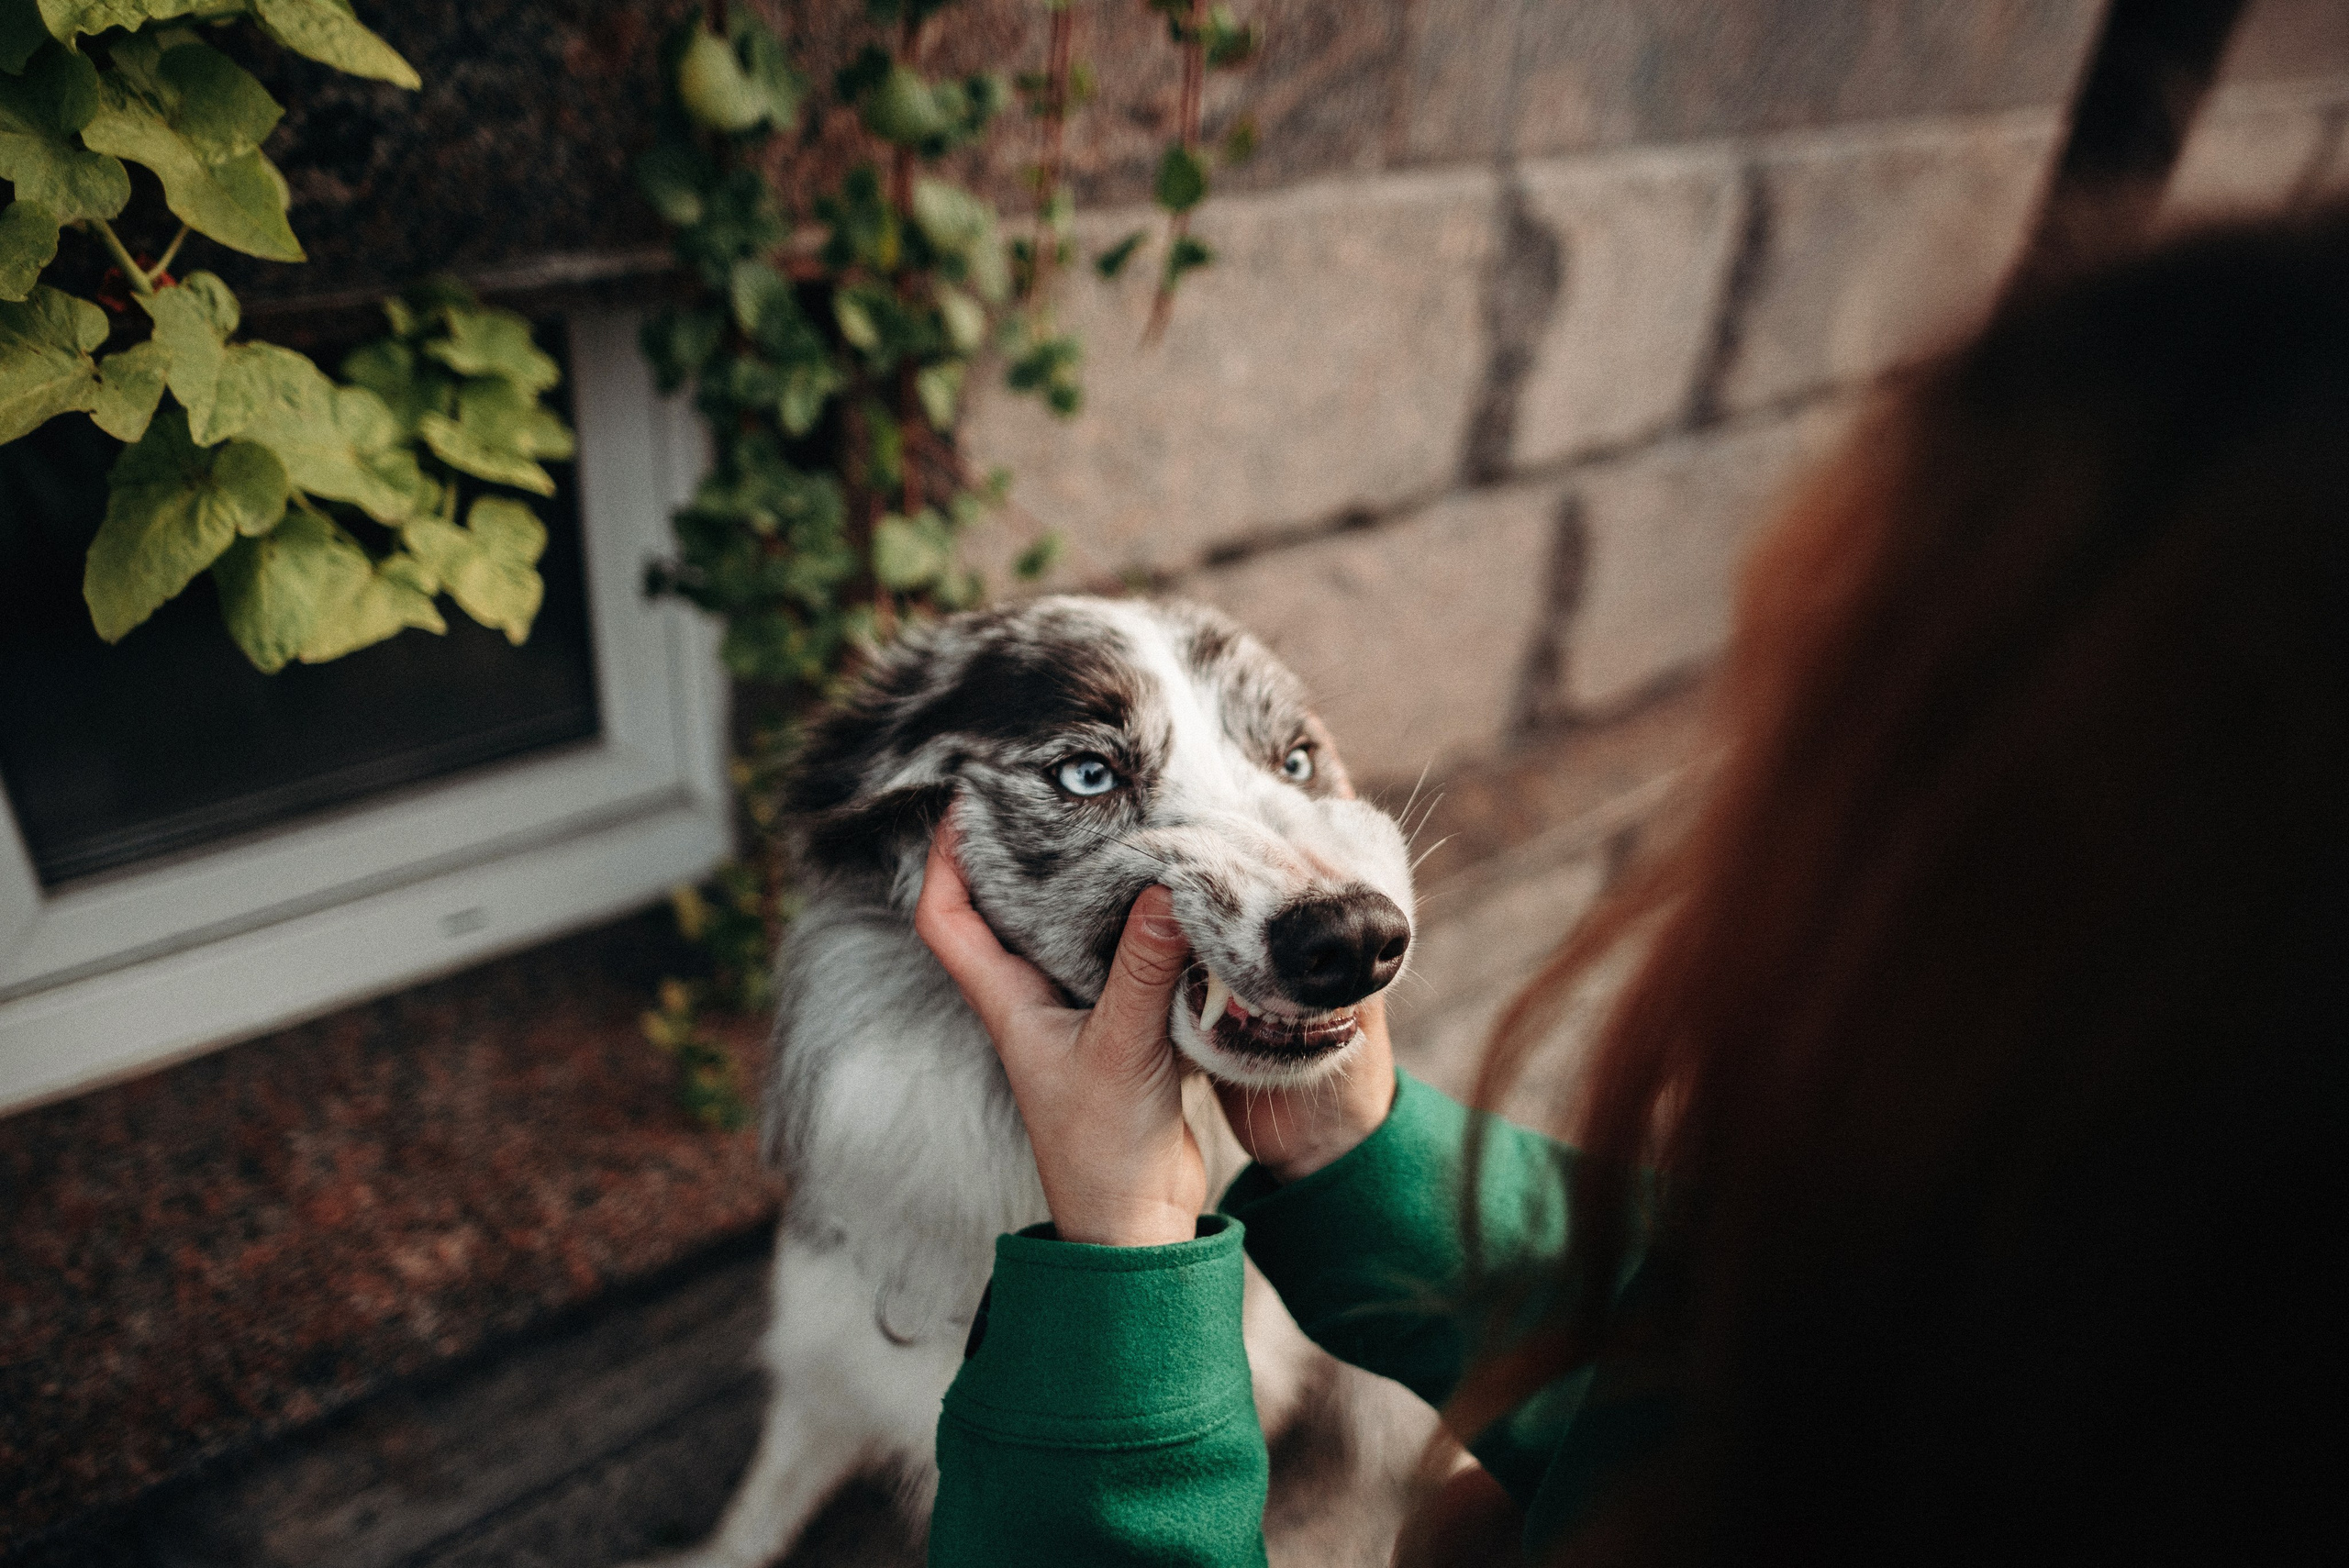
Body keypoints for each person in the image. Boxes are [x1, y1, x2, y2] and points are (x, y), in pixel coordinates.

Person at [913, 205, 2349, 1567]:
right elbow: (1747, 1338)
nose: (1716, 847)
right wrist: (1360, 1151)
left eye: (1795, 750)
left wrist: (1120, 1272)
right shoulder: (2086, 1371)